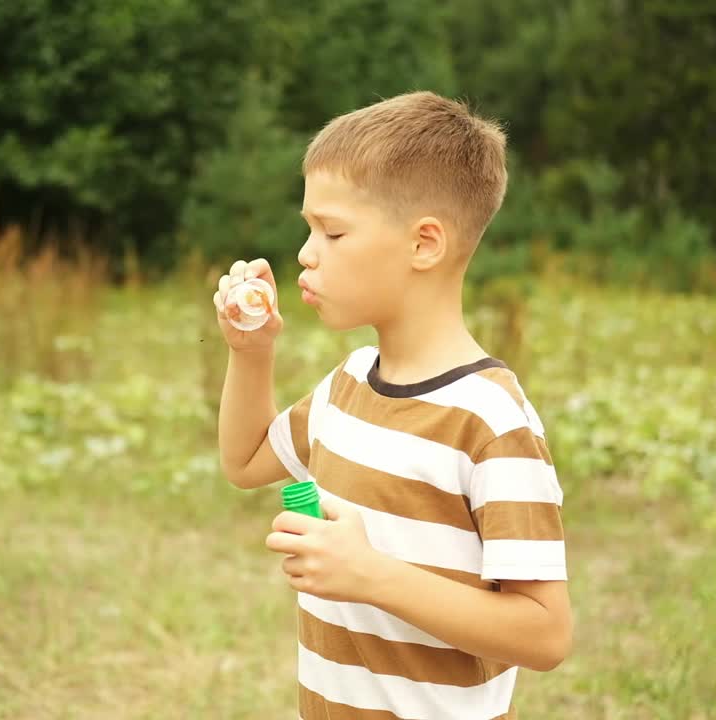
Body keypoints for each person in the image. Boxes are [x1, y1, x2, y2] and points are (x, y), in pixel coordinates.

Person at [213, 91, 571, 720]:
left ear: (424, 244)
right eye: (308, 228)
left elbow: (545, 635)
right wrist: (251, 354)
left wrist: (370, 575)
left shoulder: (489, 422)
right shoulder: (348, 385)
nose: (305, 251)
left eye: (332, 230)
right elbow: (245, 461)